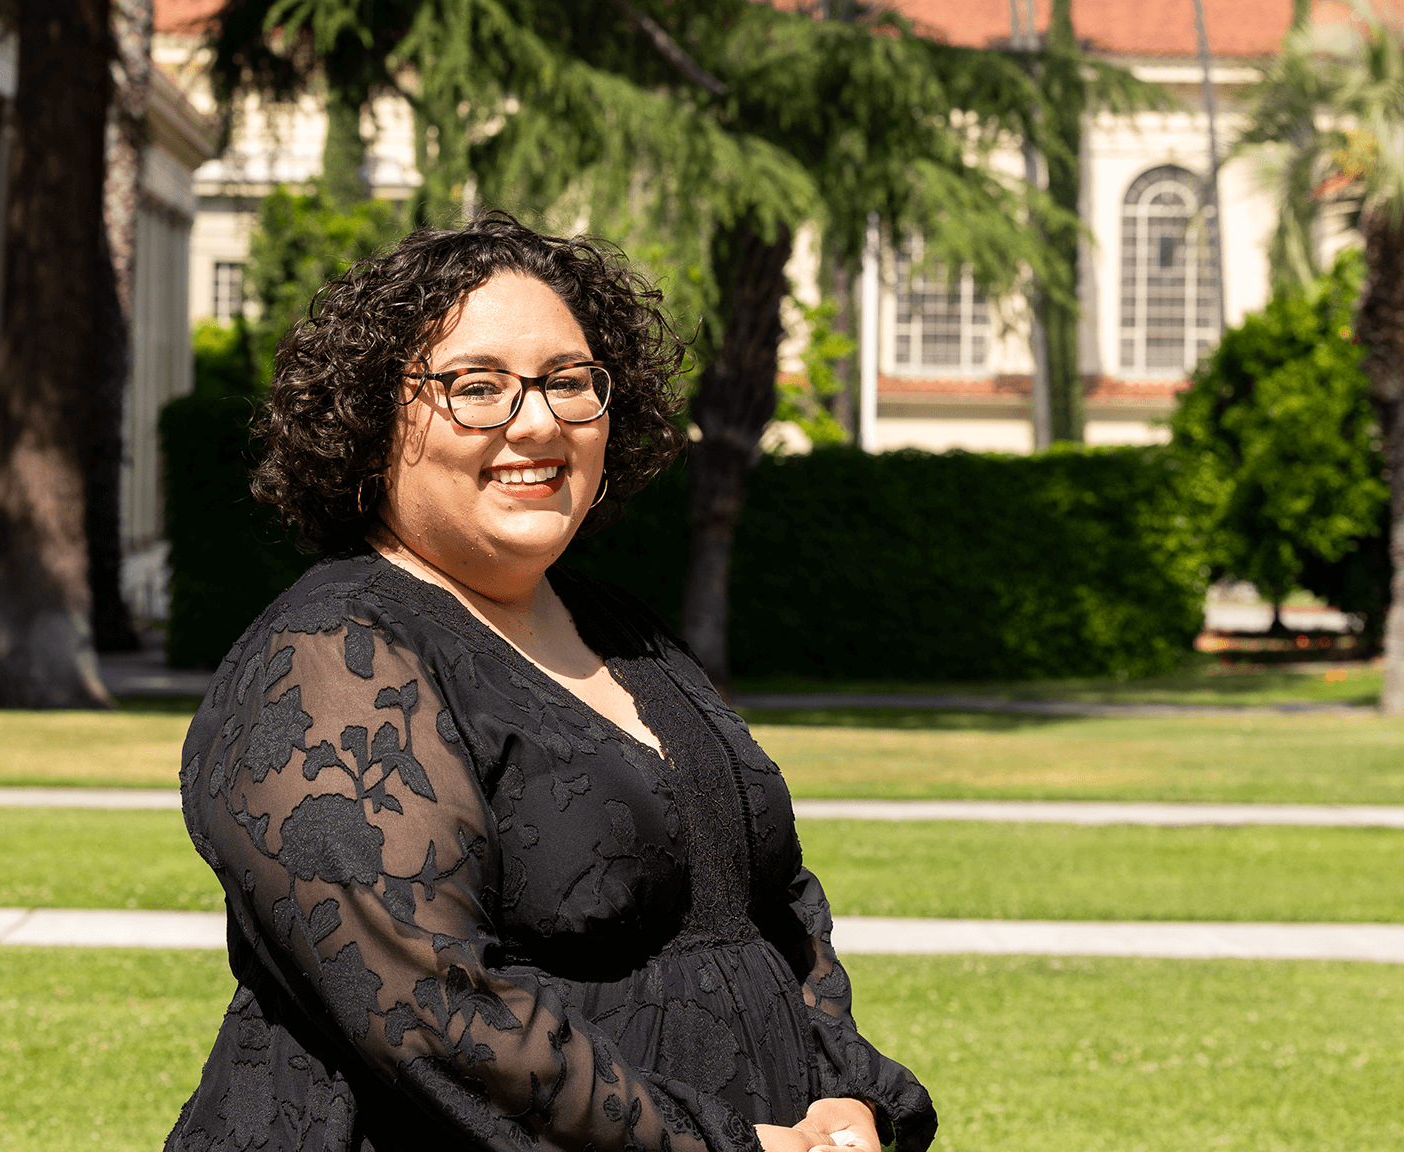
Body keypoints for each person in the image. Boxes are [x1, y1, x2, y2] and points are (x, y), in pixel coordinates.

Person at [166, 212, 936, 1152]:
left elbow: (767, 903)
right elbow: (430, 1011)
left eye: (570, 383)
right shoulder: (331, 657)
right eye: (476, 387)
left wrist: (848, 1095)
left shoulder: (624, 631)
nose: (537, 420)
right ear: (374, 420)